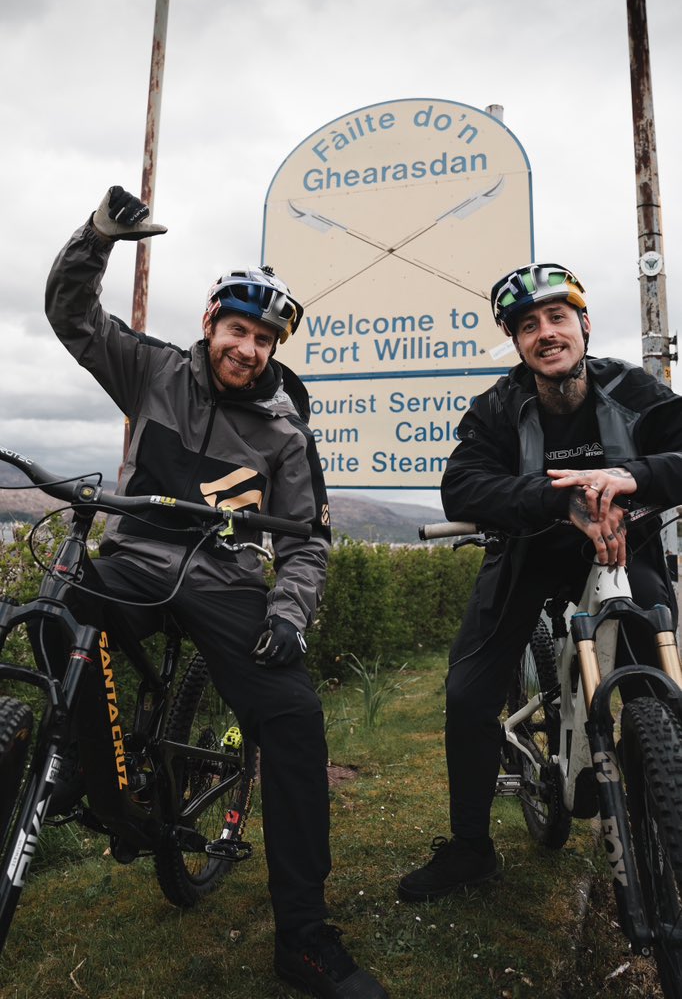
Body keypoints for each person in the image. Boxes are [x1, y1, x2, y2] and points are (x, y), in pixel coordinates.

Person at [44, 186, 389, 999]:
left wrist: (289, 613)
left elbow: (309, 542)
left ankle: (303, 939)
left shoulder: (286, 435)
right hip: (133, 560)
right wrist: (97, 237)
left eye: (265, 338)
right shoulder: (155, 372)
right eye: (238, 330)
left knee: (296, 727)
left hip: (229, 585)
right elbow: (69, 314)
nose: (250, 348)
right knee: (56, 607)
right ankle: (84, 771)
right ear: (210, 325)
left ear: (274, 348)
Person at [398, 261, 682, 902]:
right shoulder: (499, 406)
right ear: (517, 341)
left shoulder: (631, 389)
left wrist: (632, 478)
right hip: (525, 554)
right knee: (470, 694)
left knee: (657, 686)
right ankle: (471, 847)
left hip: (618, 549)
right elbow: (461, 486)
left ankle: (660, 798)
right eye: (529, 325)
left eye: (558, 317)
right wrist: (562, 499)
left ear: (583, 324)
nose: (546, 333)